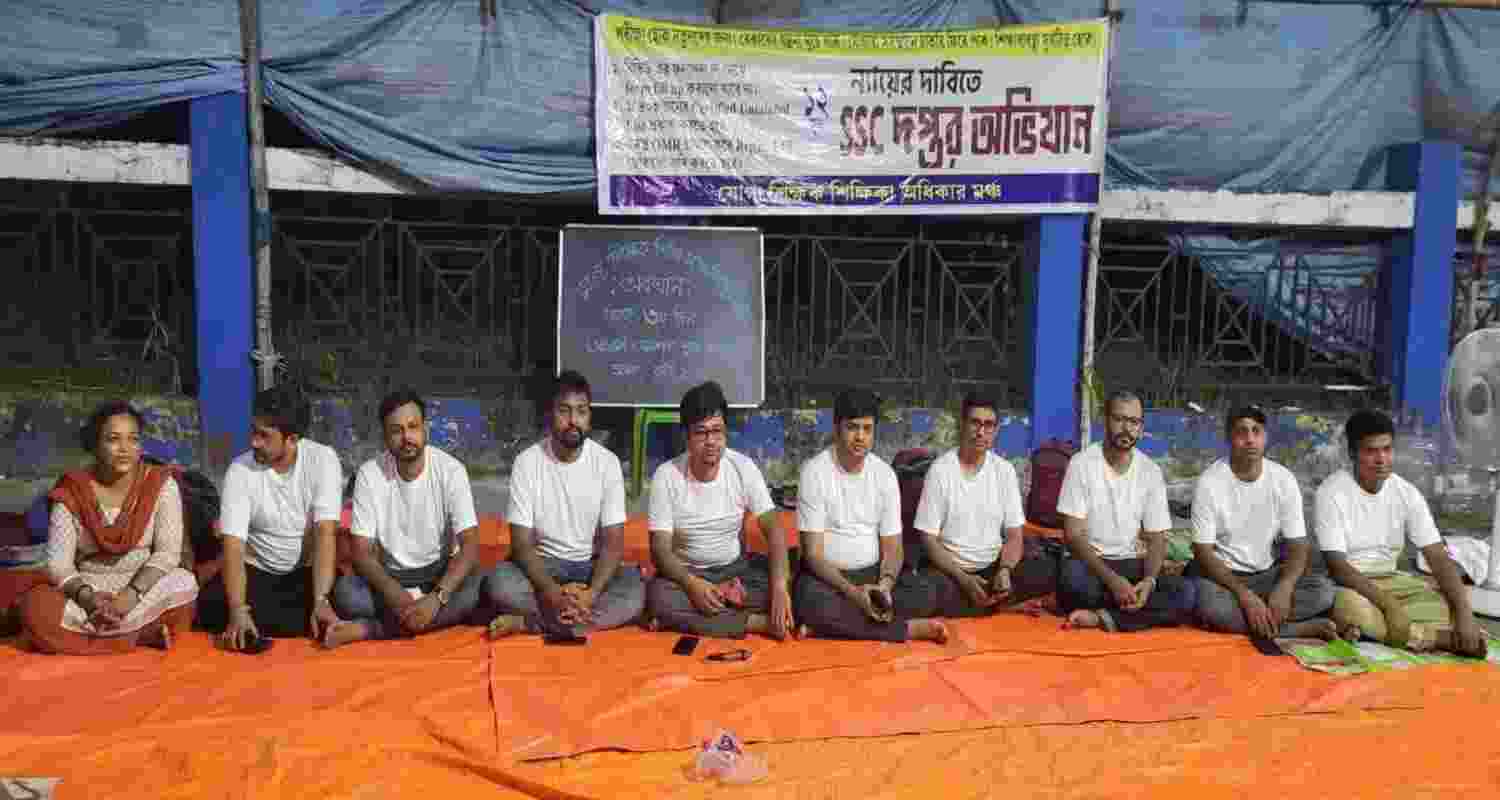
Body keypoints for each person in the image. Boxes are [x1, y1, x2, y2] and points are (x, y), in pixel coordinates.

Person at [19, 401, 198, 653]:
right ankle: (138, 635)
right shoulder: (72, 492)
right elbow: (59, 565)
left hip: (143, 587)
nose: (124, 449)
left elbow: (168, 554)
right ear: (94, 445)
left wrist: (130, 596)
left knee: (183, 582)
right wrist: (90, 600)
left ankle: (99, 638)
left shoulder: (160, 485)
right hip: (88, 590)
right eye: (113, 439)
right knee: (36, 608)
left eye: (133, 439)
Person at [322, 390, 490, 648]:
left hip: (438, 574)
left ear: (426, 429)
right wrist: (396, 596)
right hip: (390, 578)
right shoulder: (369, 474)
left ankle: (370, 629)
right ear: (386, 436)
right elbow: (362, 553)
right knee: (346, 593)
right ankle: (423, 620)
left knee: (481, 586)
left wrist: (437, 598)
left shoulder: (451, 471)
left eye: (413, 427)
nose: (407, 437)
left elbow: (470, 545)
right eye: (397, 430)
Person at [487, 371, 645, 638]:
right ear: (550, 415)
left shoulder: (607, 463)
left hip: (590, 567)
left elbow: (614, 543)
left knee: (634, 594)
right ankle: (574, 620)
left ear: (590, 416)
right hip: (544, 565)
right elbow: (522, 544)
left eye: (581, 411)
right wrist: (552, 593)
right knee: (499, 584)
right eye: (565, 411)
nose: (573, 421)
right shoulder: (528, 462)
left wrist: (591, 594)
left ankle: (532, 623)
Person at [1317, 409, 1487, 657]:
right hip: (1353, 584)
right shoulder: (1331, 493)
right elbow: (1337, 567)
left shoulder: (1406, 493)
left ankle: (1375, 632)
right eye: (1371, 451)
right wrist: (1389, 606)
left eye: (1386, 449)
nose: (1381, 459)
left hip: (1394, 581)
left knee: (1447, 605)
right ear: (1352, 453)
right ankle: (1438, 639)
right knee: (1350, 608)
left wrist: (1464, 614)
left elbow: (1437, 556)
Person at [794, 389, 946, 642]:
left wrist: (884, 587)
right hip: (830, 580)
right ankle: (907, 630)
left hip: (874, 576)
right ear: (836, 428)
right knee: (809, 600)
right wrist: (854, 593)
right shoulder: (815, 473)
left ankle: (827, 628)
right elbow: (813, 555)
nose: (860, 437)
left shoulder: (884, 475)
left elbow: (893, 548)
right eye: (852, 428)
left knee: (924, 593)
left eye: (867, 429)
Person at [646, 381, 794, 640]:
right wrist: (692, 585)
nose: (711, 441)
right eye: (701, 433)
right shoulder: (666, 476)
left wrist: (781, 588)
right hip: (687, 574)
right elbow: (659, 550)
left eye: (717, 431)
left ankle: (711, 614)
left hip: (737, 571)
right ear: (687, 436)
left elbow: (774, 529)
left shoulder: (742, 467)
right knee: (658, 598)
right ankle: (754, 623)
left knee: (792, 582)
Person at [198, 386, 343, 649]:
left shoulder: (324, 460)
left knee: (345, 599)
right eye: (253, 431)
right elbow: (233, 546)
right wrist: (238, 609)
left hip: (305, 573)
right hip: (256, 573)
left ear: (292, 439)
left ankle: (299, 617)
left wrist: (321, 599)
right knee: (211, 605)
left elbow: (325, 533)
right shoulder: (240, 470)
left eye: (264, 436)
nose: (254, 442)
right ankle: (258, 623)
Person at [1187, 406, 1338, 640]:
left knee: (1324, 591)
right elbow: (1202, 553)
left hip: (1267, 576)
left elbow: (1298, 544)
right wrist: (1244, 596)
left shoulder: (1283, 479)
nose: (1250, 440)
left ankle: (1264, 619)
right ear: (1229, 438)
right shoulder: (1210, 483)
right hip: (1223, 579)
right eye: (1242, 432)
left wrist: (1285, 586)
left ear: (1265, 437)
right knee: (1210, 607)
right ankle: (1292, 630)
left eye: (1256, 432)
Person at [1056, 390, 1197, 632]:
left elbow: (1157, 539)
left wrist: (1150, 581)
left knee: (1185, 593)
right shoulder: (1081, 464)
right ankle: (1132, 612)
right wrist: (1112, 581)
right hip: (1092, 565)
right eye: (1119, 419)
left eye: (1133, 422)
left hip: (1132, 563)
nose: (1126, 428)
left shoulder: (1150, 471)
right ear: (1105, 421)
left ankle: (1102, 618)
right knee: (1072, 581)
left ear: (1141, 427)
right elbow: (1073, 535)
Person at [915, 393, 1057, 618]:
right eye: (975, 423)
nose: (981, 432)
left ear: (996, 430)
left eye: (988, 425)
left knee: (1051, 570)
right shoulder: (941, 471)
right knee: (923, 592)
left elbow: (1014, 535)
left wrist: (1005, 570)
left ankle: (986, 602)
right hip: (951, 572)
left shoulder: (1005, 471)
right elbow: (928, 540)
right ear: (962, 425)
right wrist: (964, 579)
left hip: (993, 567)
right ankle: (995, 605)